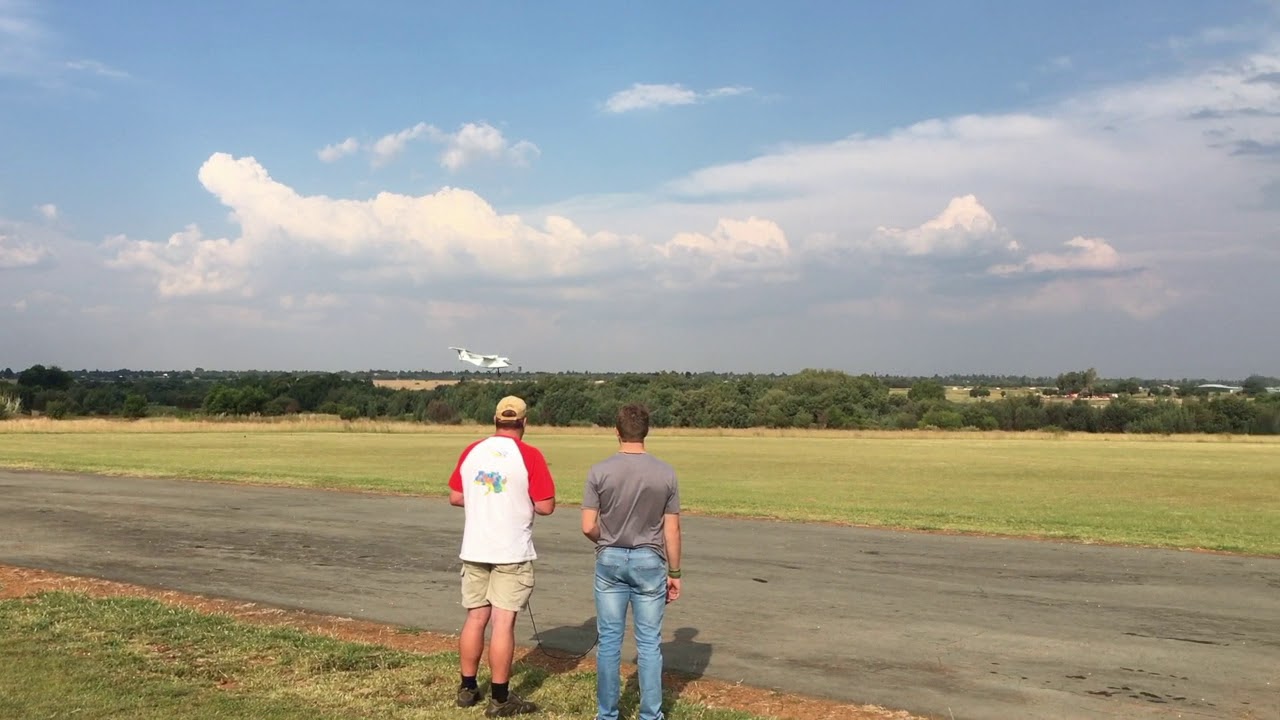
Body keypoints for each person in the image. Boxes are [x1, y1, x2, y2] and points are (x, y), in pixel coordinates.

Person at [448, 395, 556, 717]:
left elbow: (456, 496)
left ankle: (468, 688)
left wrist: (488, 501)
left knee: (475, 617)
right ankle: (500, 697)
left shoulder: (472, 451)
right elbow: (546, 505)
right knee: (503, 621)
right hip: (510, 550)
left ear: (495, 421)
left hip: (475, 547)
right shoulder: (529, 455)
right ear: (524, 422)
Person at [581, 403, 682, 720]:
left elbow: (587, 525)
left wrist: (607, 541)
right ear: (646, 432)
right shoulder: (665, 472)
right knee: (649, 643)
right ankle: (651, 714)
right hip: (649, 560)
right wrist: (675, 572)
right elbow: (672, 529)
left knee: (610, 640)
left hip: (610, 558)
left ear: (617, 431)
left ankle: (607, 713)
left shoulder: (599, 471)